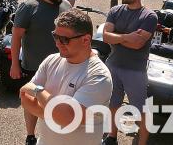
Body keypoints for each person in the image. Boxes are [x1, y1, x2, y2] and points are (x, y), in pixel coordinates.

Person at [19, 9, 113, 145]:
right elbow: (25, 100)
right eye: (55, 36)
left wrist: (38, 90)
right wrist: (56, 114)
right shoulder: (51, 61)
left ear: (86, 39)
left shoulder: (99, 76)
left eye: (64, 39)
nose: (57, 43)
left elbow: (66, 118)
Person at [11, 0, 73, 145]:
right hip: (34, 66)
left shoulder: (66, 6)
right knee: (32, 100)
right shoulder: (29, 7)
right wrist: (14, 64)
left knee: (57, 100)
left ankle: (55, 134)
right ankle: (30, 136)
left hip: (62, 66)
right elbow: (16, 36)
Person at [102, 0, 158, 145]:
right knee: (112, 104)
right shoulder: (115, 10)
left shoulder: (149, 16)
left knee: (140, 110)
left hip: (135, 70)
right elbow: (105, 36)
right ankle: (111, 137)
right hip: (113, 65)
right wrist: (127, 37)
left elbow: (138, 44)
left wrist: (116, 38)